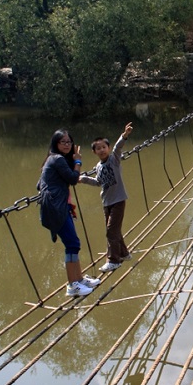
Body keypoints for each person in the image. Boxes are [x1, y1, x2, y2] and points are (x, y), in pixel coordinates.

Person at [38, 129, 101, 297]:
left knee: (73, 243)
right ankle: (72, 285)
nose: (67, 145)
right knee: (72, 244)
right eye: (63, 142)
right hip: (56, 208)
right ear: (56, 144)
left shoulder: (52, 160)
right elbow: (73, 179)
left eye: (69, 142)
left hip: (58, 206)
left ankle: (79, 280)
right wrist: (78, 161)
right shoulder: (57, 159)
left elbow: (40, 184)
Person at [80, 123, 133, 272]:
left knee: (111, 231)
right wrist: (83, 179)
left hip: (118, 200)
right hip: (106, 202)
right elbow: (98, 182)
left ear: (108, 149)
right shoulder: (98, 166)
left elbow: (118, 148)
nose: (102, 150)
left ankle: (114, 260)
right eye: (98, 148)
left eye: (104, 147)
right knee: (114, 230)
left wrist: (124, 135)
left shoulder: (114, 160)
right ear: (94, 151)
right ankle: (124, 253)